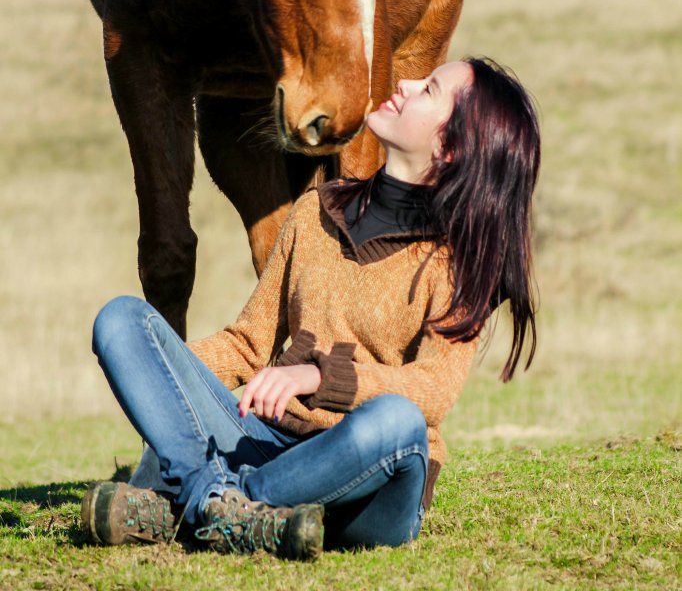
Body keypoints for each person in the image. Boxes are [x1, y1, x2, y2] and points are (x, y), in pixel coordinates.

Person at [81, 57, 540, 561]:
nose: (404, 84)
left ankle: (197, 503)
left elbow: (432, 391)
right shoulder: (314, 212)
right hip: (268, 443)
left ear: (449, 147)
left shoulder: (457, 263)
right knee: (123, 319)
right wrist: (166, 379)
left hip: (366, 479)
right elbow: (247, 345)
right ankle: (232, 512)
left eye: (428, 90)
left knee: (397, 421)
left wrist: (320, 379)